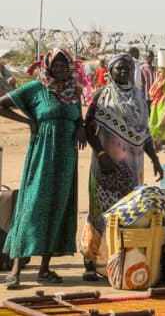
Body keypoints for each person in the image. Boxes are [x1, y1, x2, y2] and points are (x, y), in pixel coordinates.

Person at [0, 48, 86, 288]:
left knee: (58, 207)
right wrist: (27, 121)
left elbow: (78, 118)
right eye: (54, 66)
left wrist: (80, 126)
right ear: (47, 66)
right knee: (32, 207)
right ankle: (16, 270)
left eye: (62, 65)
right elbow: (2, 105)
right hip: (41, 155)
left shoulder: (74, 92)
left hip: (66, 158)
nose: (58, 70)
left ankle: (45, 270)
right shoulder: (36, 89)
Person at [81, 52, 164, 280]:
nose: (123, 71)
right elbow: (88, 127)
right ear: (110, 70)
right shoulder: (102, 95)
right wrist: (100, 153)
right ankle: (90, 260)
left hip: (133, 167)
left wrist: (154, 159)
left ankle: (119, 261)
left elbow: (144, 132)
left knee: (128, 214)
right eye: (119, 68)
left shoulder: (139, 96)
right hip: (105, 166)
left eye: (127, 68)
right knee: (99, 213)